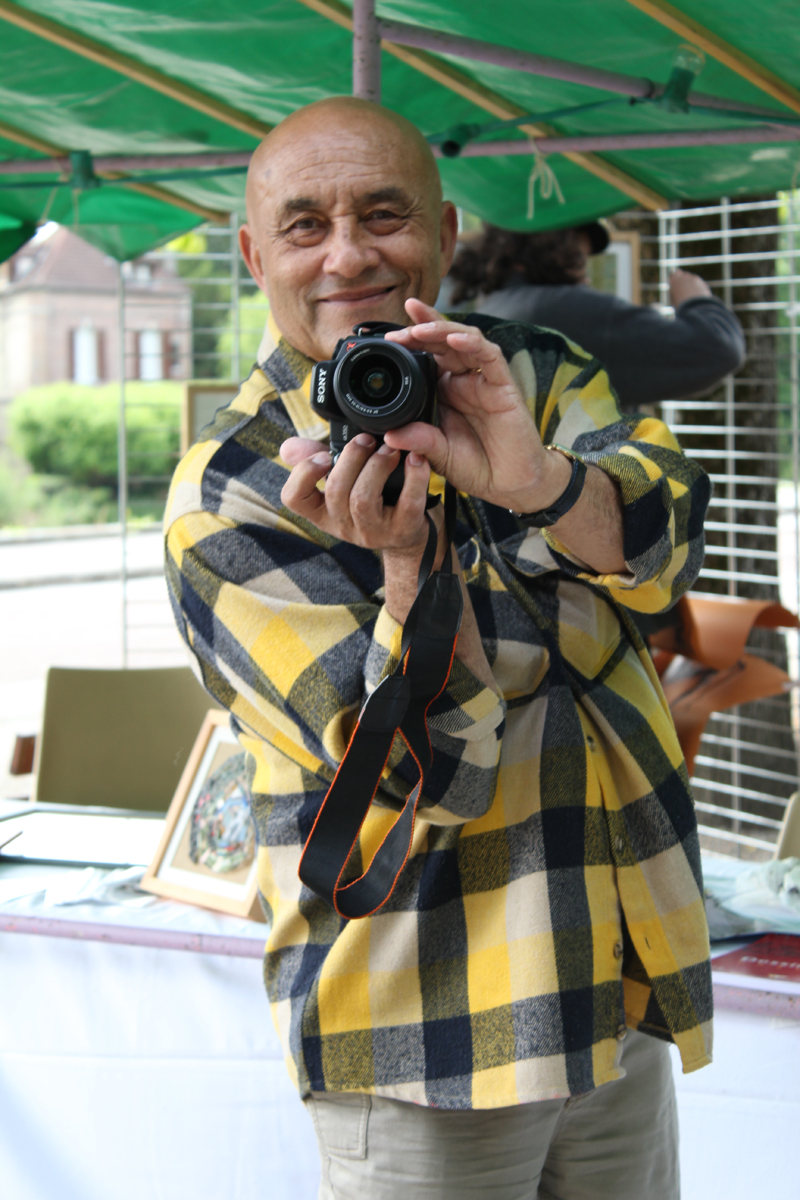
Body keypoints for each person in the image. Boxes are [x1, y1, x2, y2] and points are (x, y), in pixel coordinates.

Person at [164, 96, 713, 1200]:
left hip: (612, 974)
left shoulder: (539, 376)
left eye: (383, 213)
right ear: (252, 253)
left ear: (447, 232)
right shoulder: (232, 496)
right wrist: (409, 570)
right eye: (305, 225)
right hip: (426, 1029)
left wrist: (541, 485)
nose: (348, 254)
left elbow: (667, 547)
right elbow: (430, 775)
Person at [448, 222, 746, 411]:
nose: (586, 279)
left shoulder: (496, 309)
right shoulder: (560, 311)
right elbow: (716, 349)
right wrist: (696, 300)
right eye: (578, 258)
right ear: (542, 250)